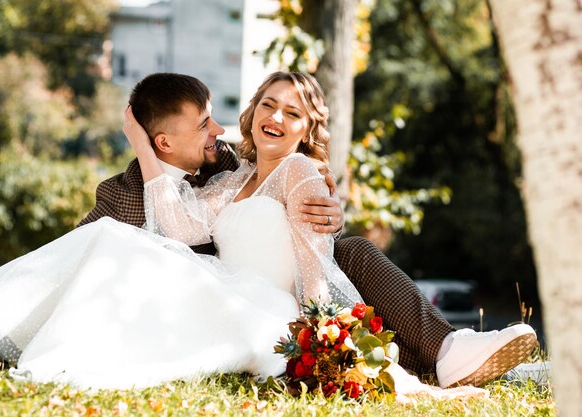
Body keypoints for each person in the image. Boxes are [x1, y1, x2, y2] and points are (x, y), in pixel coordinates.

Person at [78, 72, 537, 389]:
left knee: (352, 249)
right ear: (253, 111)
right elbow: (171, 226)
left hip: (283, 302)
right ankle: (446, 355)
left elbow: (314, 260)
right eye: (268, 105)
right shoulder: (229, 175)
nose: (275, 118)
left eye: (291, 113)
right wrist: (142, 145)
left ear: (307, 128)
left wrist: (320, 331)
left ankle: (450, 348)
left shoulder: (298, 170)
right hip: (229, 301)